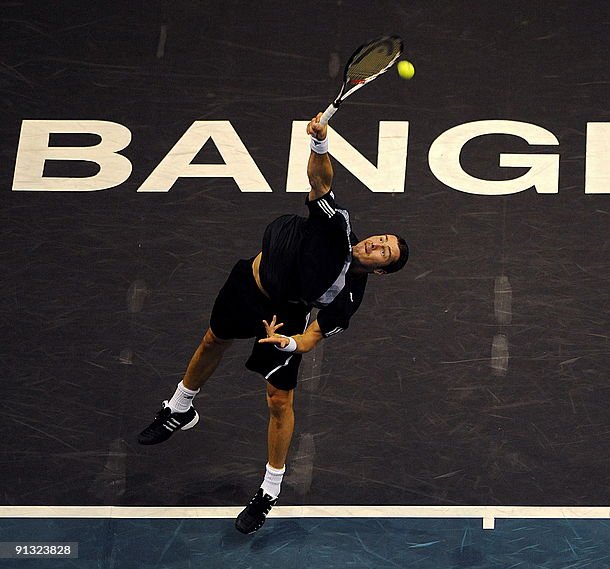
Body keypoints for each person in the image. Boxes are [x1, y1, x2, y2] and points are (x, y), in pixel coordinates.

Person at [137, 113, 409, 534]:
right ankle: (179, 408)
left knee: (279, 402)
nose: (376, 244)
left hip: (285, 318)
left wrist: (284, 344)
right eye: (382, 238)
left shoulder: (347, 297)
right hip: (249, 283)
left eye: (384, 254)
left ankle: (268, 490)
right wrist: (319, 144)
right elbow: (321, 182)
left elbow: (310, 339)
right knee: (213, 339)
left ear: (380, 272)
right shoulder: (336, 225)